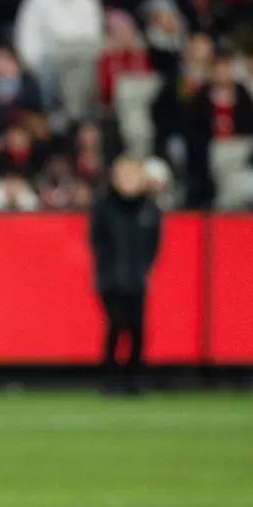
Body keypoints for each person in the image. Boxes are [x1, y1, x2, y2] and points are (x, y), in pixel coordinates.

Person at [90, 157, 162, 394]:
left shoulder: (149, 209)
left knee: (137, 330)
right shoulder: (104, 206)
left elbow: (154, 245)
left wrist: (143, 268)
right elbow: (97, 242)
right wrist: (106, 270)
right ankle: (111, 378)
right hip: (110, 280)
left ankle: (133, 379)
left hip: (136, 280)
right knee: (117, 325)